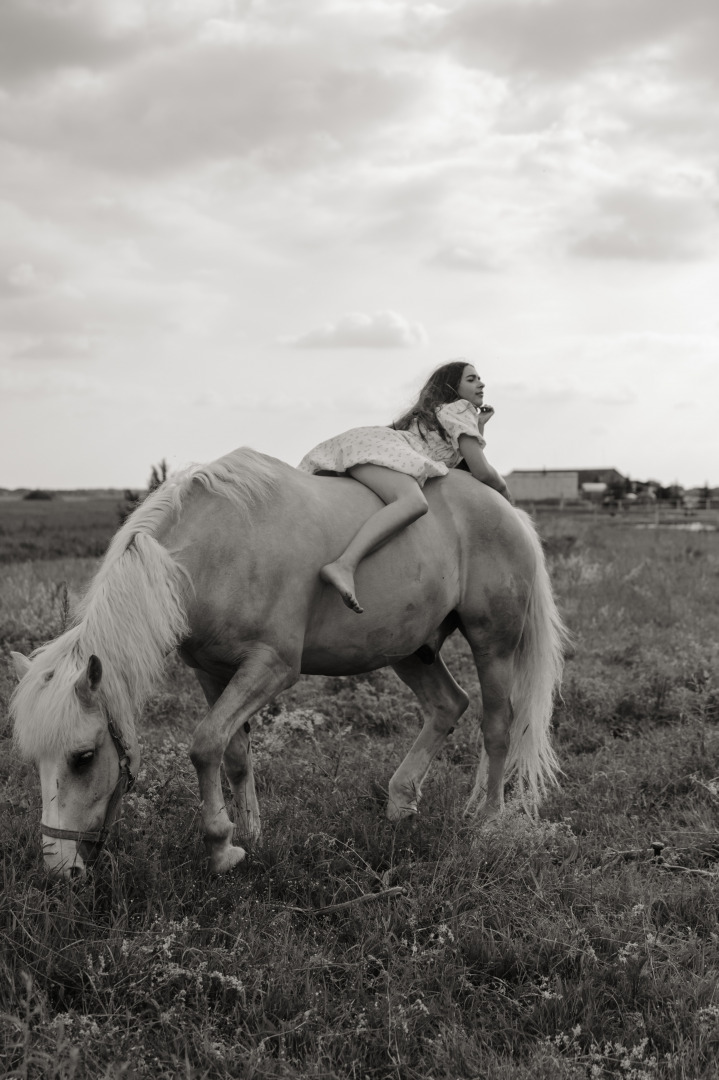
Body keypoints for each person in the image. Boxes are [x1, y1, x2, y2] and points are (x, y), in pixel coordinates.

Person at [298, 360, 512, 613]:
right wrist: (504, 492)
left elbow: (461, 464)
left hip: (363, 443)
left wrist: (480, 426)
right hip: (376, 449)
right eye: (471, 379)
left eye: (479, 378)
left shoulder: (435, 415)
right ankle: (344, 565)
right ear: (453, 387)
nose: (481, 383)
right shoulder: (460, 409)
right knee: (413, 502)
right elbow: (481, 470)